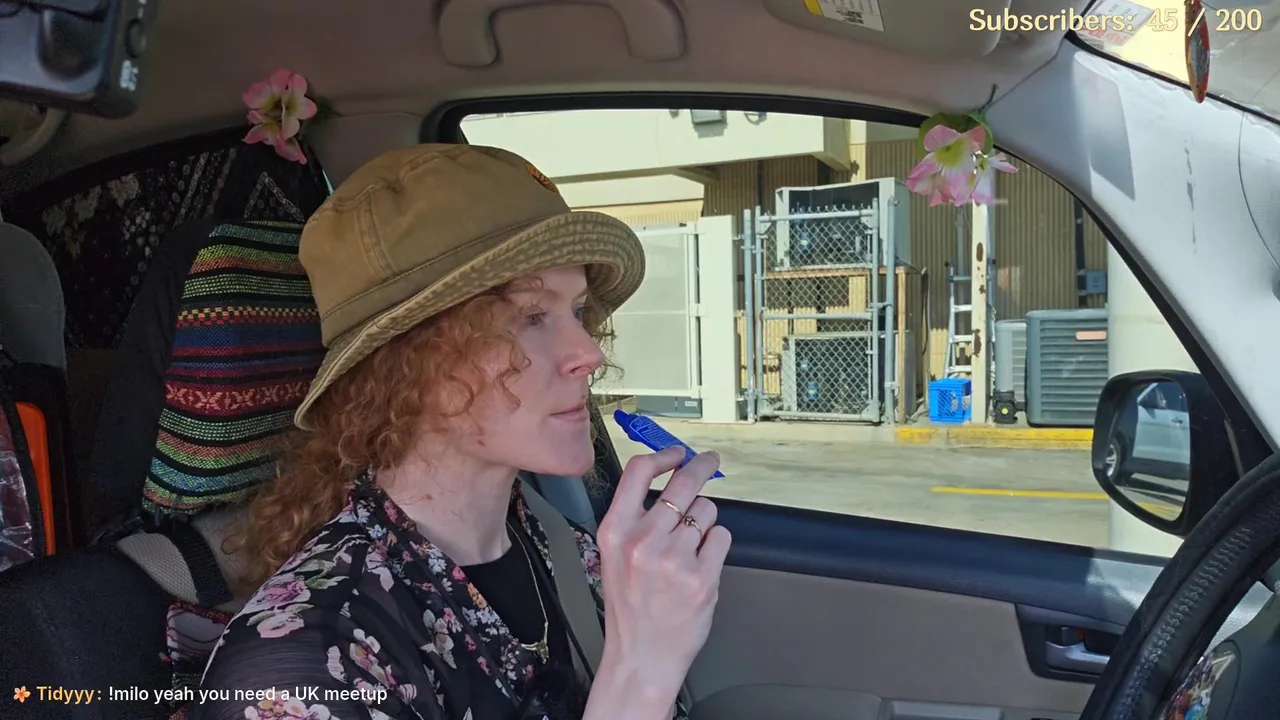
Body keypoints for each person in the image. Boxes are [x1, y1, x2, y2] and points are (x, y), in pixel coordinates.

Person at [190, 143, 731, 720]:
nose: (590, 352)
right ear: (407, 363)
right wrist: (640, 672)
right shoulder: (301, 670)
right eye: (530, 315)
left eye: (577, 312)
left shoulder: (563, 547)